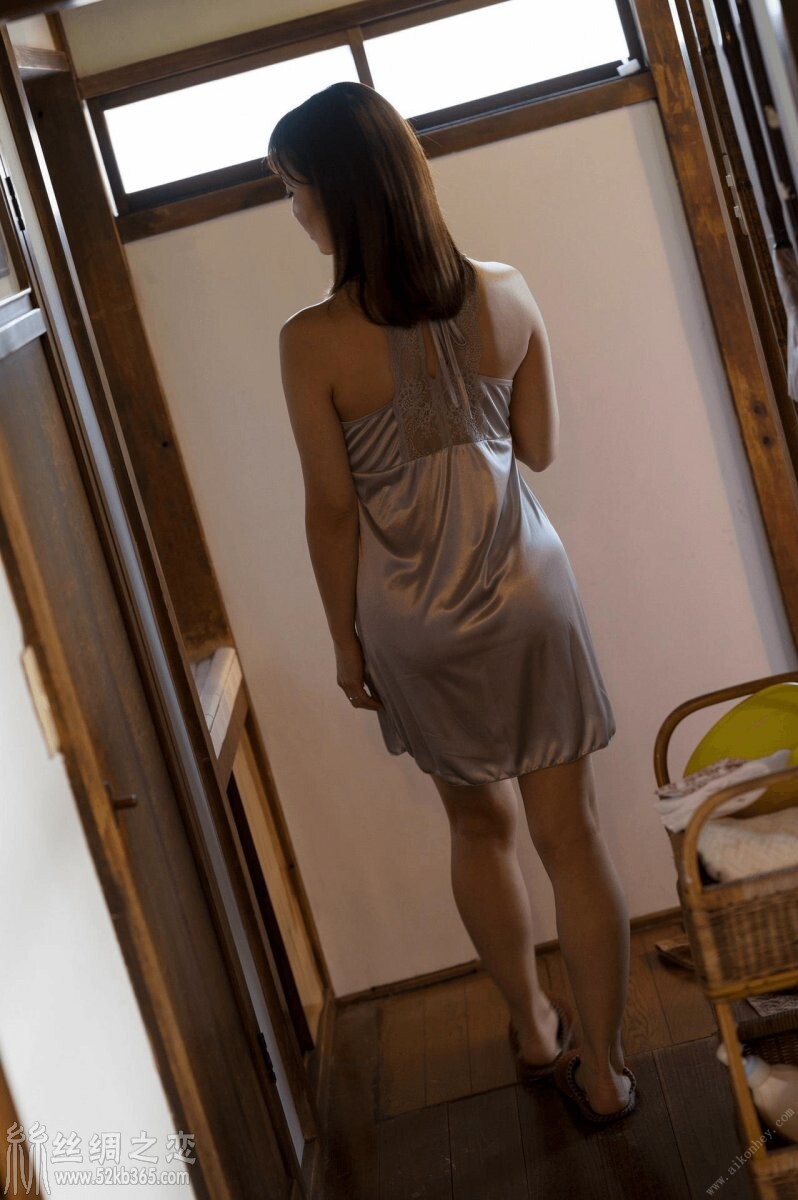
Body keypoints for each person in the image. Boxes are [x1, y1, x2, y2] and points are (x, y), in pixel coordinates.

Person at [269, 81, 635, 1122]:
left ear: (337, 192)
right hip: (531, 594)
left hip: (413, 617)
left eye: (294, 187)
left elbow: (331, 510)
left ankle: (535, 1027)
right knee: (574, 836)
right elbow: (540, 448)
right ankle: (608, 1074)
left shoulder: (309, 339)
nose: (294, 209)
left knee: (479, 828)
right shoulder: (508, 291)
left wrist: (345, 645)